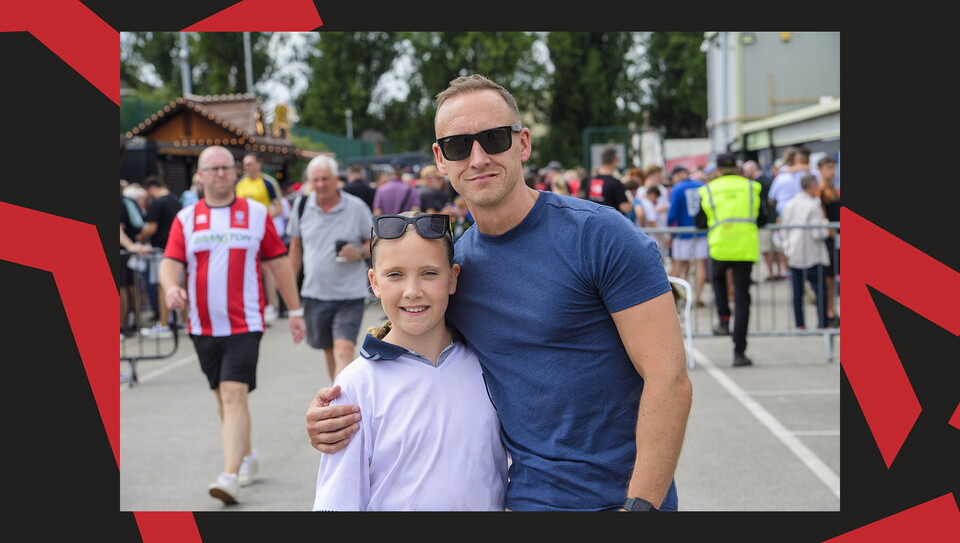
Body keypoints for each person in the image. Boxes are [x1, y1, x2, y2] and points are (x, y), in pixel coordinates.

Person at [306, 74, 692, 512]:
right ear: (440, 158)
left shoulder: (600, 236)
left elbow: (669, 378)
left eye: (493, 139)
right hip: (525, 502)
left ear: (522, 144)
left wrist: (640, 506)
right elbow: (412, 334)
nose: (477, 158)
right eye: (457, 146)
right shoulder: (456, 269)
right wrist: (335, 410)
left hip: (620, 503)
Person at [313, 211, 507, 511]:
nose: (412, 291)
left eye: (429, 273)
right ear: (374, 282)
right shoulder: (356, 385)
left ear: (453, 278)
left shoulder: (486, 365)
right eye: (395, 275)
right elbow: (338, 501)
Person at [159, 145, 306, 505]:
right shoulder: (187, 218)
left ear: (235, 172)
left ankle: (228, 477)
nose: (220, 174)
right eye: (213, 169)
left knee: (233, 393)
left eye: (226, 167)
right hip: (202, 325)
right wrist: (172, 287)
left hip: (245, 323)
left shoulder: (256, 214)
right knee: (222, 399)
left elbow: (278, 264)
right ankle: (247, 453)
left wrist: (295, 311)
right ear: (201, 175)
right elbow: (169, 262)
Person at [287, 155, 373, 382]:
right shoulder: (302, 205)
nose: (320, 185)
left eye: (325, 179)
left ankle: (343, 403)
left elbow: (375, 241)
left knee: (343, 349)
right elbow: (296, 246)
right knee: (329, 350)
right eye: (315, 180)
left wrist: (360, 252)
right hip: (315, 293)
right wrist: (289, 288)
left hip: (349, 294)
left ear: (337, 179)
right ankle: (339, 395)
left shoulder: (356, 207)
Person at [695, 152, 769, 367]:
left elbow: (700, 222)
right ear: (737, 168)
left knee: (717, 281)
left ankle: (723, 319)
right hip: (744, 247)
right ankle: (739, 351)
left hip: (720, 245)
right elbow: (763, 218)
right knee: (742, 297)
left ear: (717, 170)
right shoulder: (751, 187)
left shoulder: (708, 189)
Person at [235, 152, 285, 324]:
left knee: (268, 269)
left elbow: (279, 208)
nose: (247, 167)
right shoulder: (239, 184)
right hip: (242, 233)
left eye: (250, 164)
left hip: (263, 232)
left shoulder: (268, 182)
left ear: (258, 164)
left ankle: (272, 305)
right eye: (245, 164)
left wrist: (261, 219)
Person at [780, 174, 832, 330]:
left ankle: (799, 323)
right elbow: (818, 232)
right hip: (812, 253)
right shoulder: (813, 205)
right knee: (819, 289)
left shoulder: (789, 204)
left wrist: (787, 247)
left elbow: (784, 229)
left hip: (795, 252)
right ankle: (822, 322)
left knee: (797, 292)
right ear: (812, 186)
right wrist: (826, 227)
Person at [137, 176, 182, 338]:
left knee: (162, 286)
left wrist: (140, 237)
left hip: (161, 251)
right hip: (176, 249)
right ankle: (182, 321)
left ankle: (164, 324)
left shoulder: (158, 203)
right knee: (179, 285)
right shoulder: (175, 200)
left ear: (151, 188)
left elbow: (152, 227)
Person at [667, 165, 709, 307]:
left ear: (677, 175)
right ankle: (698, 296)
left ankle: (684, 295)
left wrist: (669, 230)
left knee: (680, 265)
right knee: (700, 264)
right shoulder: (701, 185)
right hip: (701, 230)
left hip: (682, 232)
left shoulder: (677, 189)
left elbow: (672, 214)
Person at [743, 159, 787, 281]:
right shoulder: (769, 179)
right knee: (777, 248)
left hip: (766, 221)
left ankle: (771, 273)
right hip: (774, 219)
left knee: (767, 249)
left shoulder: (756, 184)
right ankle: (780, 271)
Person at [817, 155, 841, 327]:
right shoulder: (820, 191)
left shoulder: (835, 189)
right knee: (828, 278)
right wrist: (832, 233)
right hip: (829, 239)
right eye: (829, 168)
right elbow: (822, 215)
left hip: (838, 238)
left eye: (833, 168)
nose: (832, 172)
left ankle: (832, 310)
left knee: (833, 277)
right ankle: (828, 312)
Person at [585, 147, 632, 215]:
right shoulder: (615, 183)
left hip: (594, 221)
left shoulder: (591, 181)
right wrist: (631, 199)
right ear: (614, 160)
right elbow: (625, 208)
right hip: (612, 222)